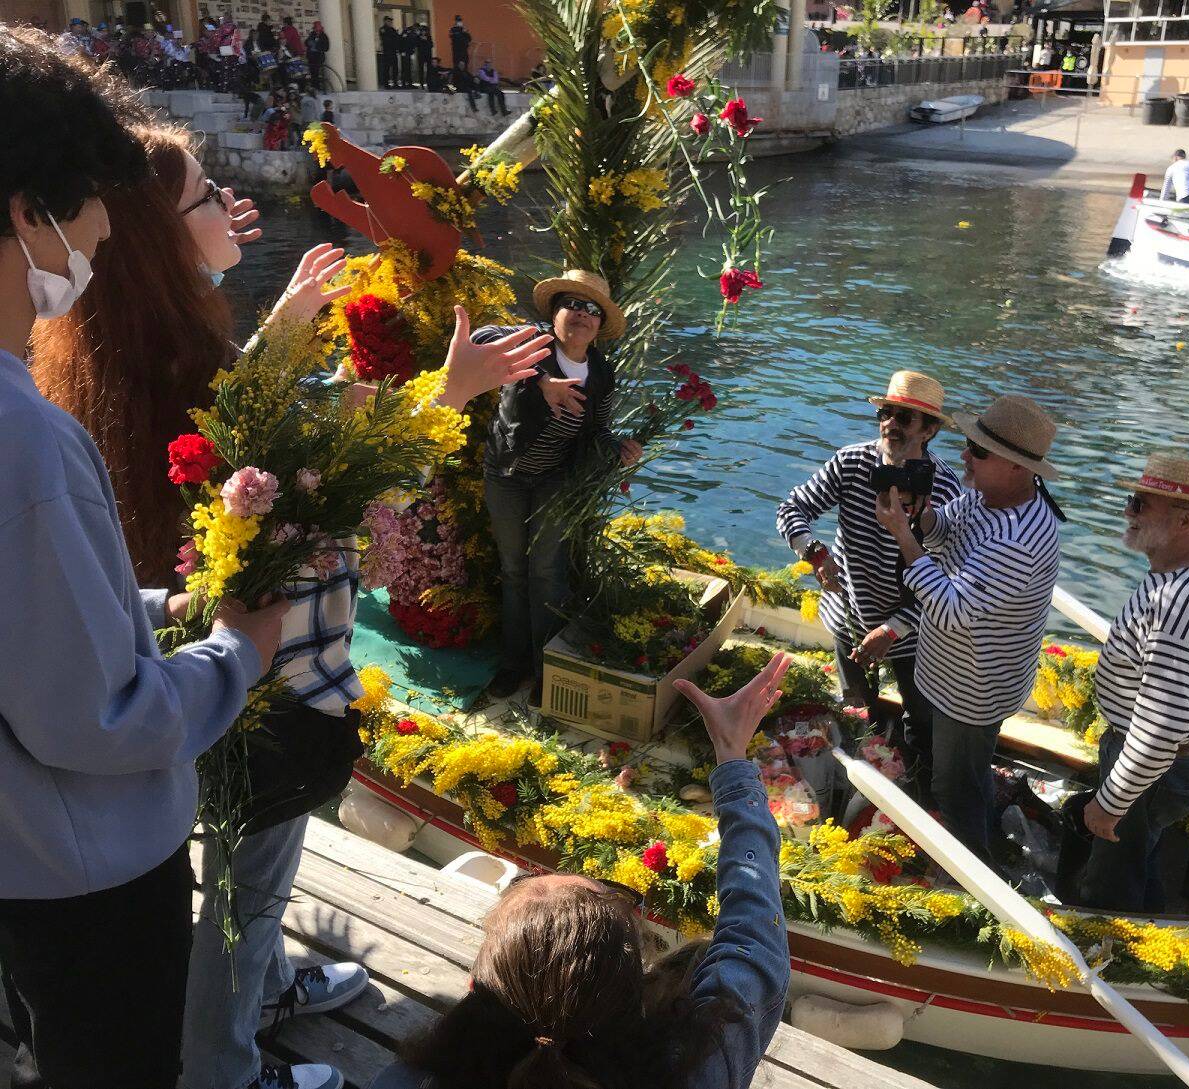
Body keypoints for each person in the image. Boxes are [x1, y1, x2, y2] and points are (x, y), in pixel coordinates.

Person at [30, 122, 553, 1089]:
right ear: (155, 239)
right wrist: (453, 387)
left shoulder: (108, 353)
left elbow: (265, 413)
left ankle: (264, 992)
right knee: (249, 890)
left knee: (245, 885)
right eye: (204, 197)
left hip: (211, 670)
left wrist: (278, 325)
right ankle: (232, 1064)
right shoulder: (189, 368)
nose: (231, 202)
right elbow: (342, 462)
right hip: (264, 677)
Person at [0, 31, 286, 1088]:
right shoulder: (25, 442)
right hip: (88, 878)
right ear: (30, 211)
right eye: (91, 199)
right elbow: (94, 720)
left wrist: (150, 602)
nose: (109, 225)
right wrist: (233, 649)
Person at [368, 653, 794, 1089]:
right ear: (635, 990)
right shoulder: (699, 1068)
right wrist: (731, 755)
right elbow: (755, 931)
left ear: (477, 984)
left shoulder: (410, 1080)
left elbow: (755, 944)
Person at [875, 394, 1063, 863]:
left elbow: (950, 609)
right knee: (966, 773)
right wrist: (922, 517)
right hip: (958, 674)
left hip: (973, 687)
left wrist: (902, 535)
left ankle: (973, 871)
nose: (964, 456)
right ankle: (978, 833)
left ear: (1018, 468)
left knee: (954, 787)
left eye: (978, 452)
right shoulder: (987, 498)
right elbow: (947, 530)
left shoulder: (1018, 537)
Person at [776, 371, 964, 796]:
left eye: (905, 417)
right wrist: (815, 553)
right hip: (849, 618)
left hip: (916, 636)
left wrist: (894, 628)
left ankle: (918, 802)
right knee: (855, 715)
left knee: (923, 725)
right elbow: (793, 509)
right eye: (886, 412)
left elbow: (950, 578)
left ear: (930, 430)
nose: (891, 423)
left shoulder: (947, 489)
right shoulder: (851, 462)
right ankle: (855, 797)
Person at [1079, 454, 1189, 913]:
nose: (1127, 512)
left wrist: (1109, 803)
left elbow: (1158, 733)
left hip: (1154, 771)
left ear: (1186, 519)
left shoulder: (1175, 604)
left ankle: (1113, 956)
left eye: (1138, 504)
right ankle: (1146, 914)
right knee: (1135, 859)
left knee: (1110, 882)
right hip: (1179, 762)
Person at [477, 269, 644, 704]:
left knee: (546, 572)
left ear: (599, 326)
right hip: (507, 476)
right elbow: (479, 339)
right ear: (556, 312)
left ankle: (545, 670)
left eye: (592, 310)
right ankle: (513, 665)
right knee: (514, 571)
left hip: (556, 479)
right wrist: (540, 381)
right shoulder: (529, 342)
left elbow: (600, 429)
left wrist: (619, 448)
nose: (581, 314)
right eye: (572, 303)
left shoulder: (603, 373)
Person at [305, 20, 328, 89]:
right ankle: (314, 86)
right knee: (312, 72)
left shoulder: (323, 36)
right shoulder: (312, 34)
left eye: (318, 29)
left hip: (318, 57)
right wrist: (309, 43)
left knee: (316, 72)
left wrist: (318, 47)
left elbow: (326, 47)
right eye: (315, 29)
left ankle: (317, 86)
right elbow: (306, 42)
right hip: (311, 56)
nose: (316, 31)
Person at [380, 15, 401, 87]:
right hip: (387, 52)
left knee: (395, 68)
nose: (390, 23)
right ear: (385, 21)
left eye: (390, 21)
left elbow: (397, 38)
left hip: (393, 51)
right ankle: (386, 83)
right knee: (387, 68)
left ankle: (395, 83)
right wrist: (393, 38)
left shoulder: (392, 29)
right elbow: (386, 40)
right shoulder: (383, 29)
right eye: (388, 21)